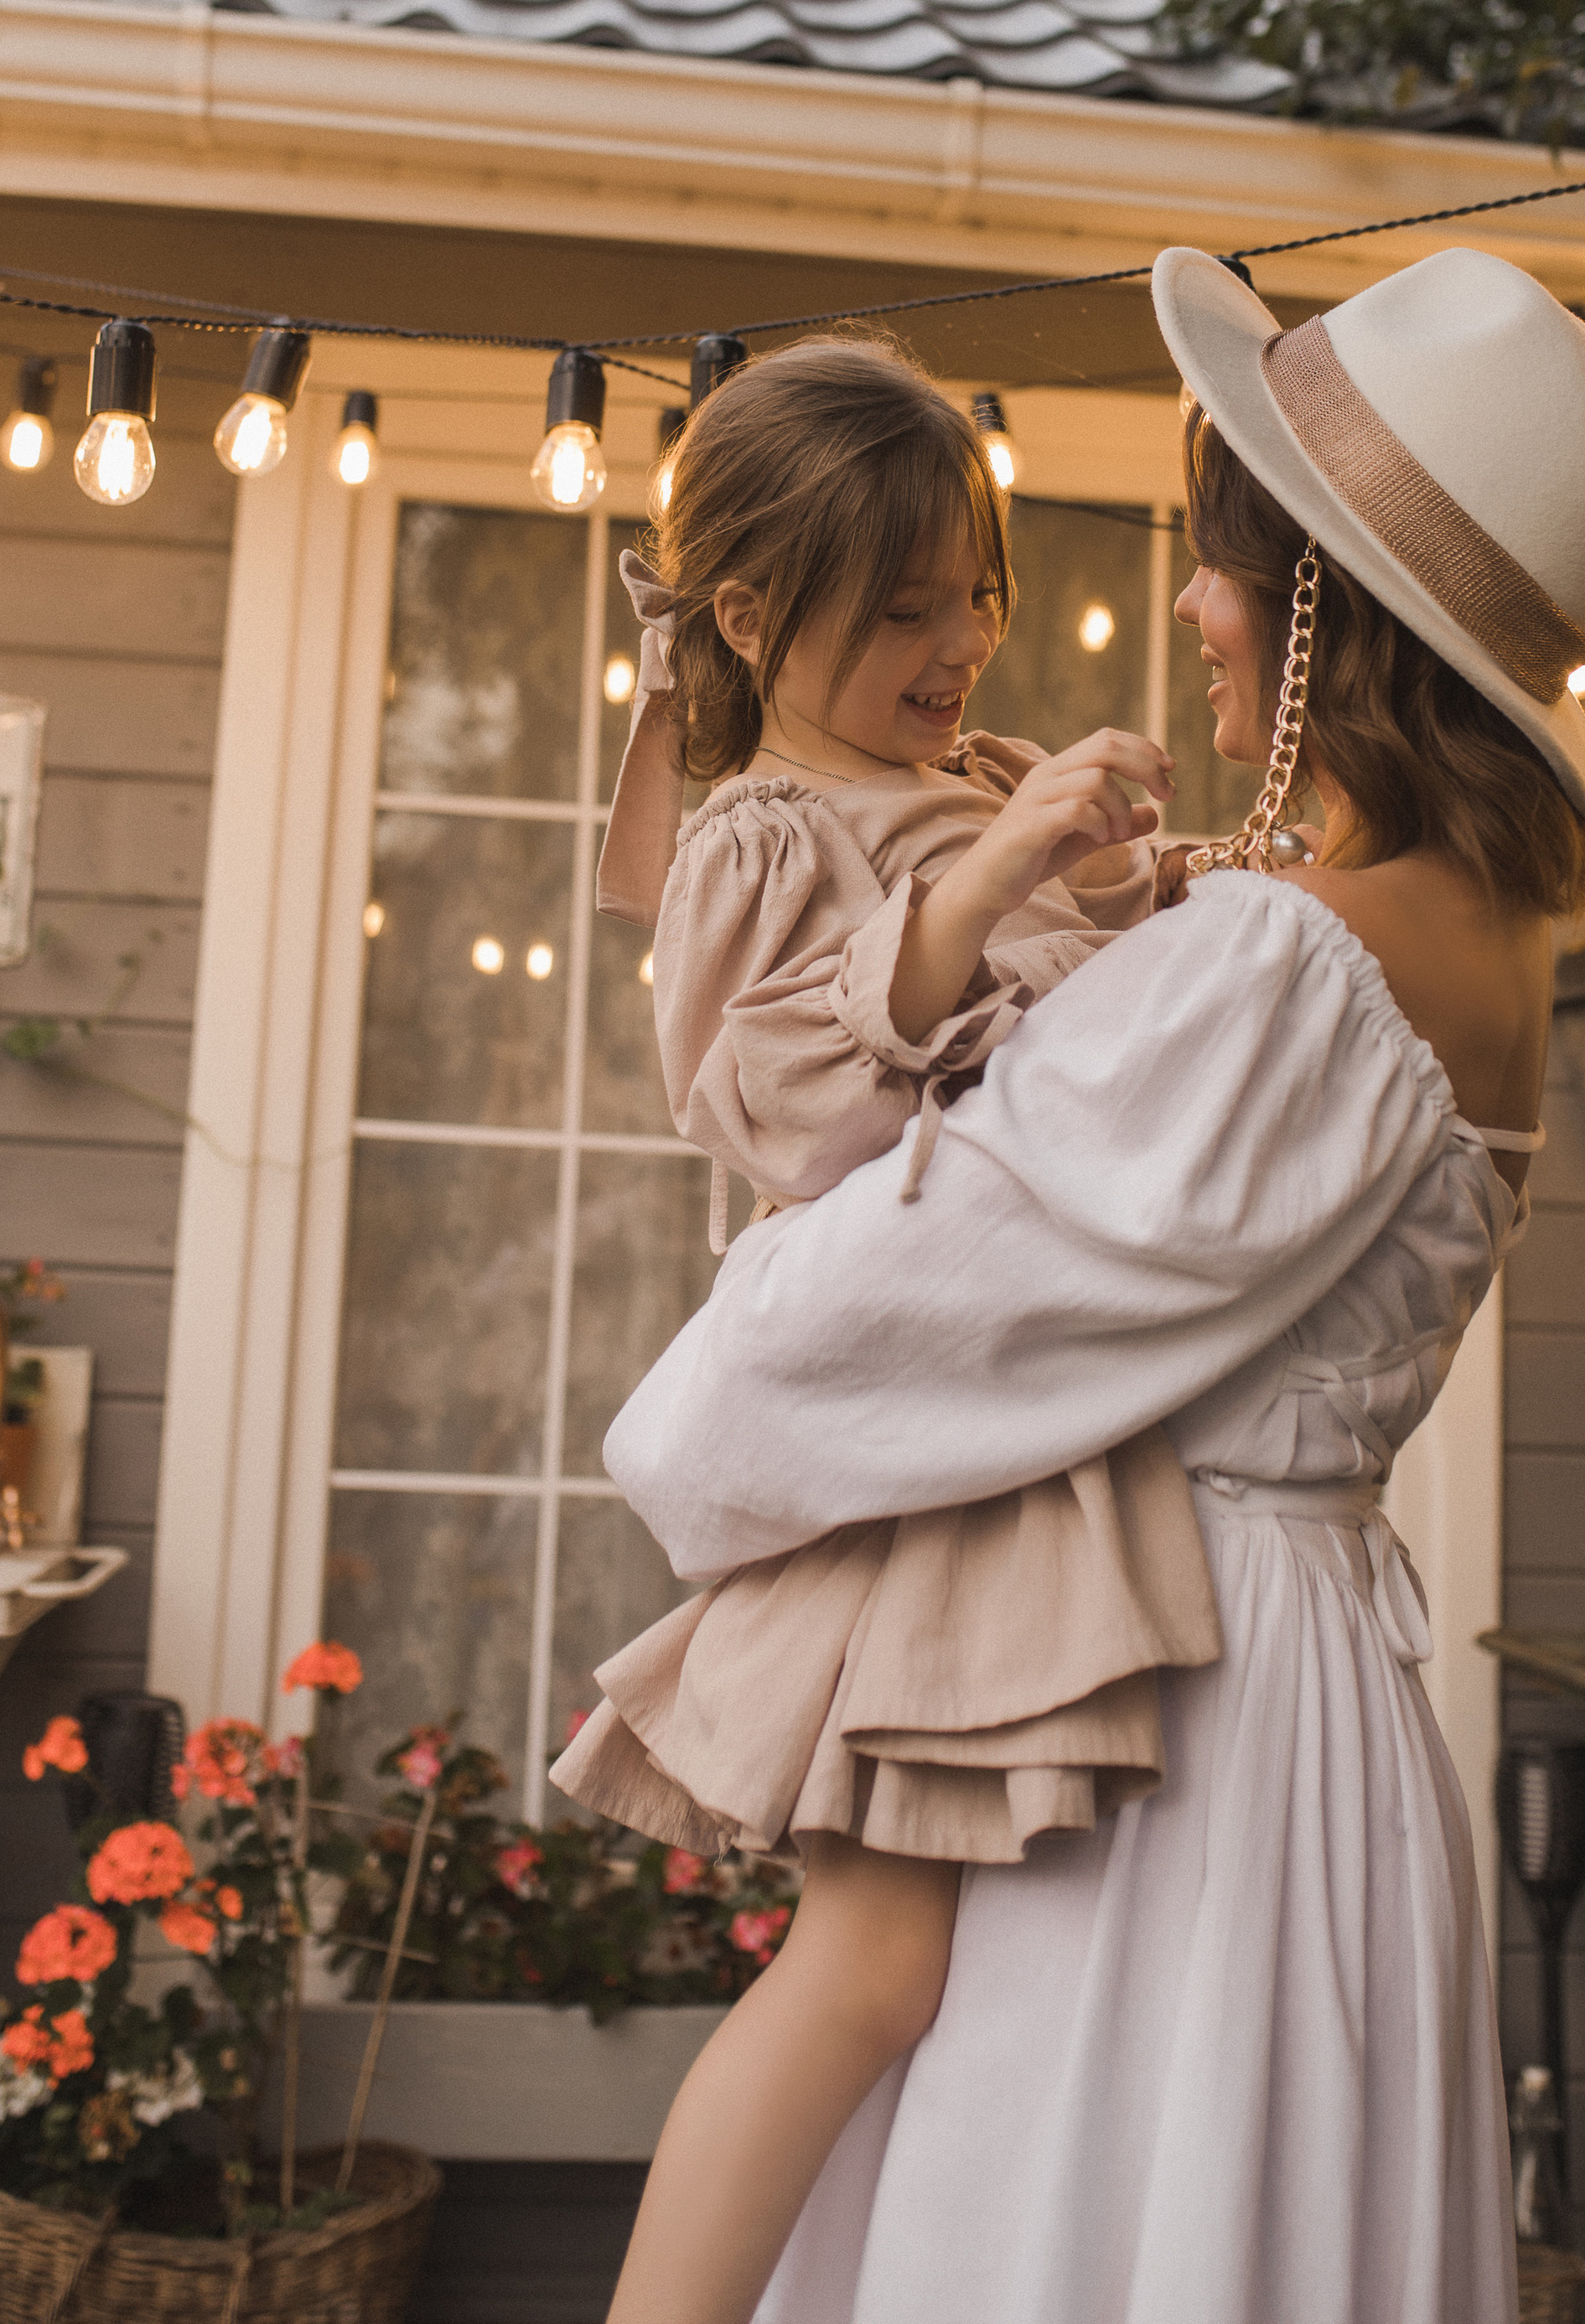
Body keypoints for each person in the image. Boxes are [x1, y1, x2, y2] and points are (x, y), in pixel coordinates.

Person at [599, 246, 1585, 2324]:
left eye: (1224, 566)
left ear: (1323, 612)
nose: (1186, 605)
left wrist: (692, 1423)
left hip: (1169, 1713)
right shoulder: (1455, 934)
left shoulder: (1283, 964)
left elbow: (878, 1311)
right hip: (1292, 1697)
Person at [551, 335, 1223, 2324]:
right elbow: (770, 1103)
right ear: (752, 617)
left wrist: (1183, 883)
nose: (961, 644)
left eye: (975, 593)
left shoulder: (980, 788)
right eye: (905, 608)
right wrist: (999, 869)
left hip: (1029, 1418)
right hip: (906, 1446)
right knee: (867, 1969)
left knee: (987, 1977)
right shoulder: (766, 833)